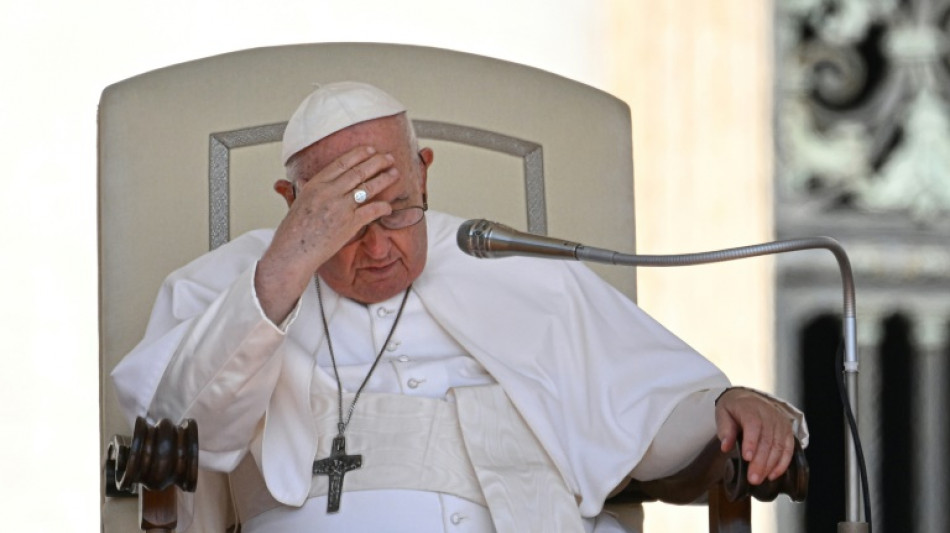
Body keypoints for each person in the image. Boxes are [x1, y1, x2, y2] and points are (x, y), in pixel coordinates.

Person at [112, 81, 806, 533]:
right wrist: (290, 263)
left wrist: (728, 406)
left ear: (425, 170)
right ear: (291, 205)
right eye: (346, 227)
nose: (379, 248)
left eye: (399, 211)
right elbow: (178, 423)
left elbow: (648, 407)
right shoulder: (230, 281)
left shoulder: (508, 264)